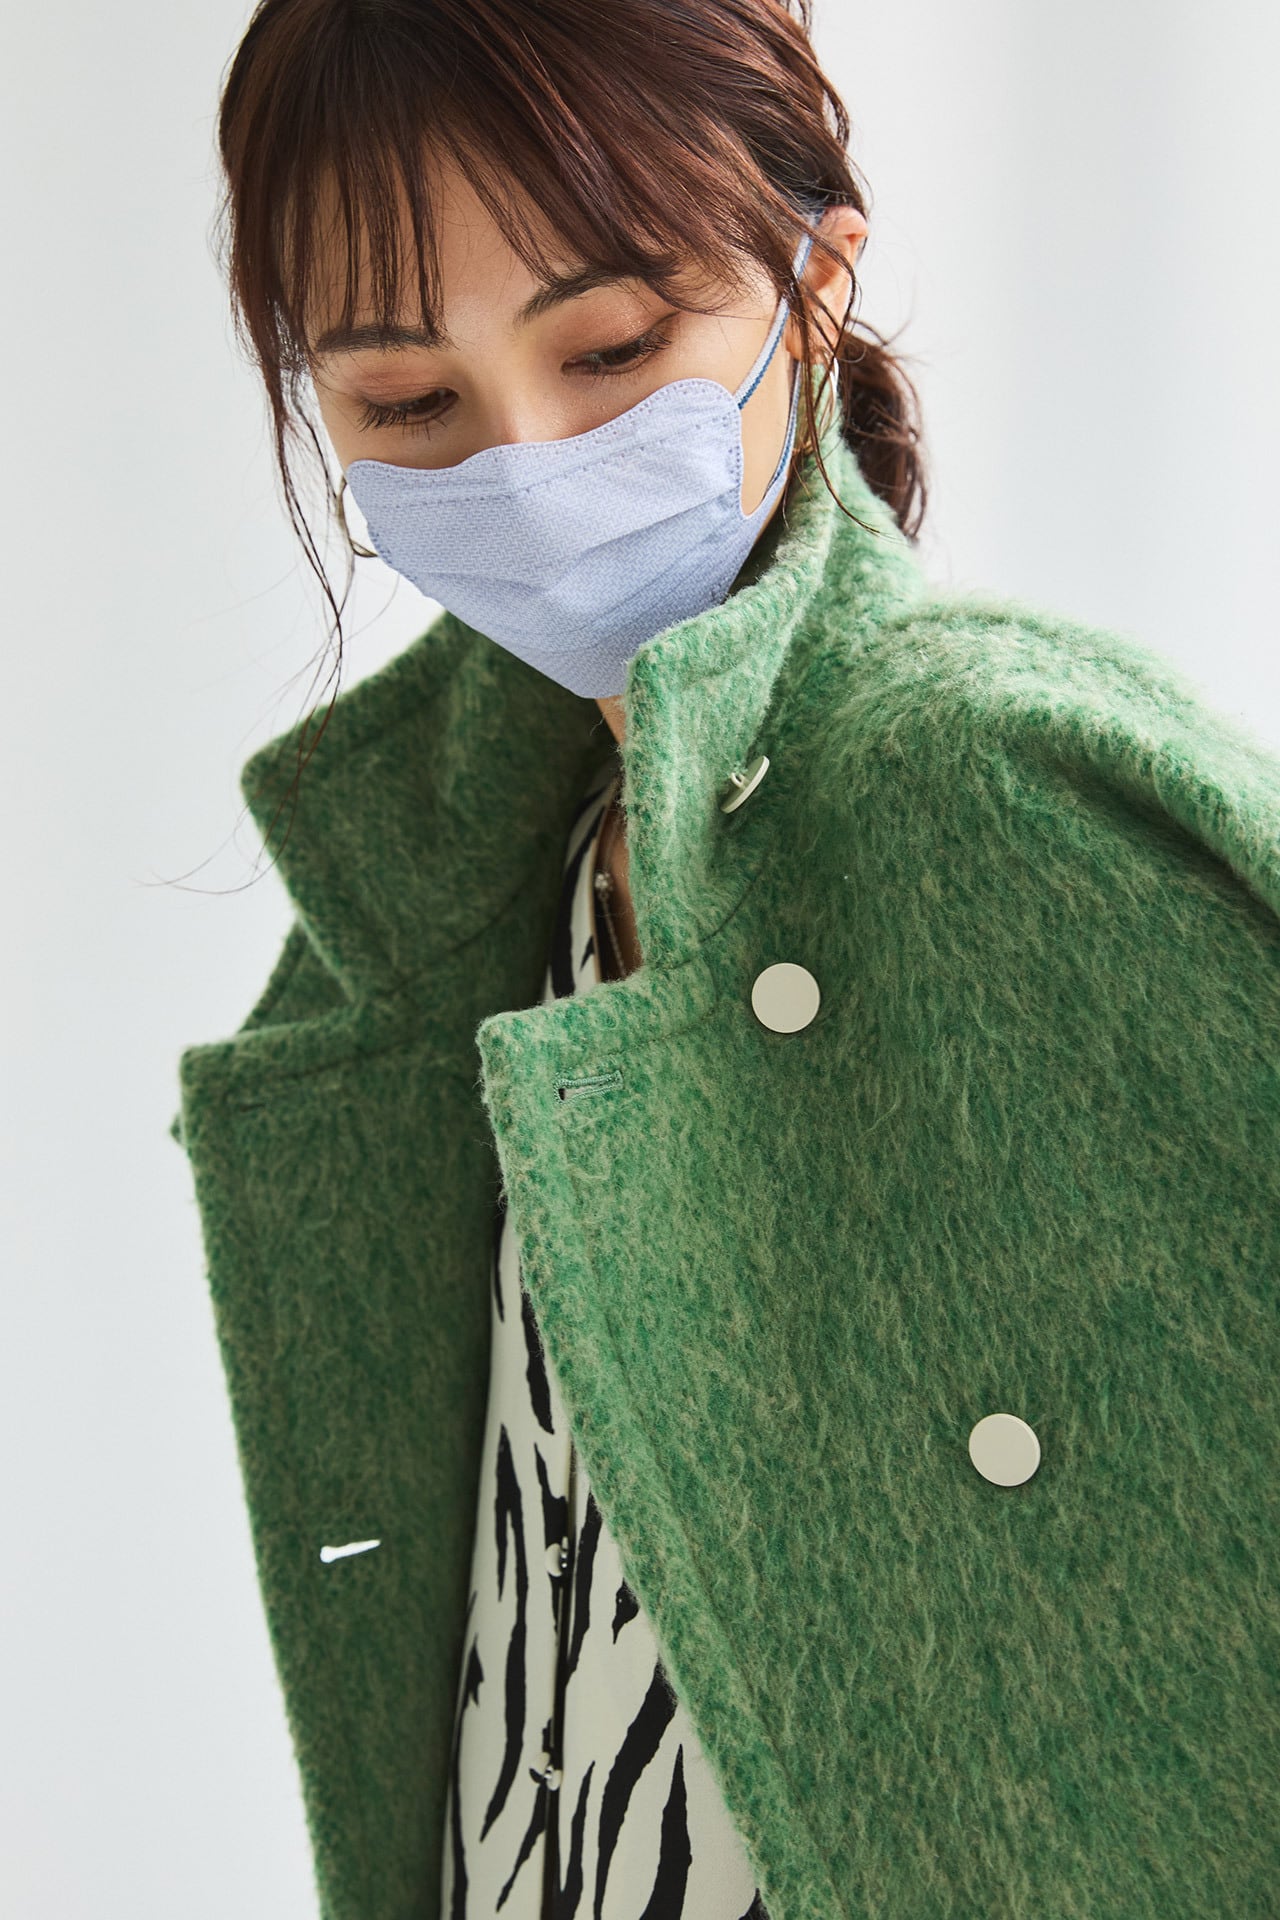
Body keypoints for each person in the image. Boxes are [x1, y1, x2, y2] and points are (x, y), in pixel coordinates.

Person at [173, 3, 1280, 1918]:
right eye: (407, 404)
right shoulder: (472, 886)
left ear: (816, 283)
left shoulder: (1003, 798)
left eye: (611, 349)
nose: (527, 463)